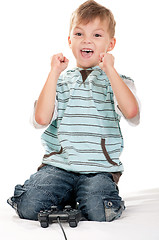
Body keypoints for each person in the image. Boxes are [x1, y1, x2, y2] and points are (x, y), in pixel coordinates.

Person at [7, 0, 140, 222]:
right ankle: (68, 194)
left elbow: (132, 114)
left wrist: (110, 69)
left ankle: (82, 196)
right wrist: (53, 73)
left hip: (98, 169)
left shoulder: (118, 81)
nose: (87, 40)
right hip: (59, 167)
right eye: (79, 34)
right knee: (29, 206)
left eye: (97, 35)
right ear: (70, 40)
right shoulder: (59, 82)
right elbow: (40, 119)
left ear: (111, 43)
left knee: (100, 211)